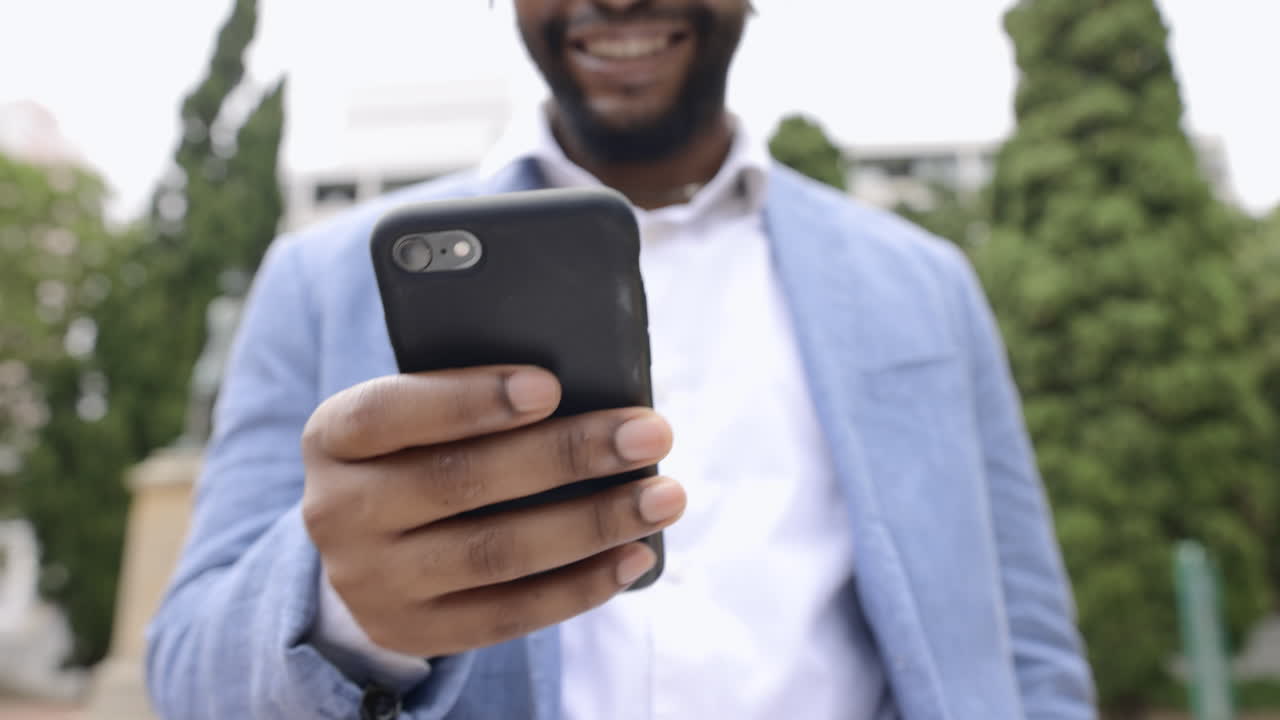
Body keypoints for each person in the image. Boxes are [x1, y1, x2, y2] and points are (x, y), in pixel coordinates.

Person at [146, 0, 1097, 718]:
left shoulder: (926, 282)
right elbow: (188, 673)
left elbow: (1032, 651)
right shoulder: (321, 279)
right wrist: (347, 611)